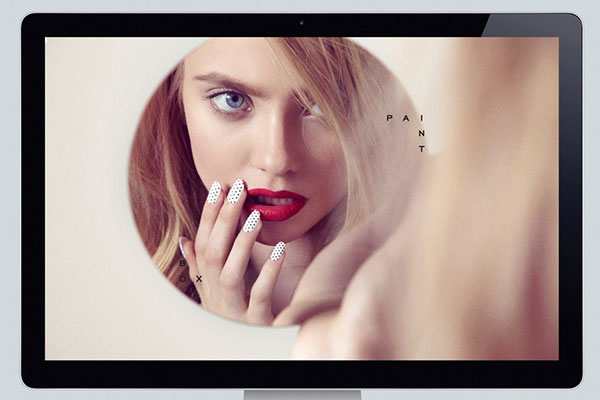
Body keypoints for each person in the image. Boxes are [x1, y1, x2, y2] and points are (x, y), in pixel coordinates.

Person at [128, 37, 425, 326]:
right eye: (231, 99)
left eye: (322, 105)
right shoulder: (129, 297)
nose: (276, 160)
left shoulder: (429, 288)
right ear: (177, 100)